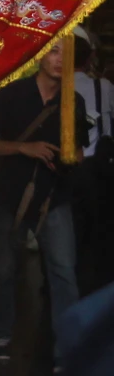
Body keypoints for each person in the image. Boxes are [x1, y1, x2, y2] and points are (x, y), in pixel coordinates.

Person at [0, 41, 89, 370]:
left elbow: (79, 152)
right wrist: (23, 148)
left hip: (54, 197)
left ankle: (66, 348)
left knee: (63, 272)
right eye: (54, 51)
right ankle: (0, 334)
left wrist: (70, 158)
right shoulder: (13, 94)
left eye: (66, 54)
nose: (59, 60)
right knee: (2, 268)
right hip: (10, 196)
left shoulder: (73, 101)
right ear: (40, 54)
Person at [72, 26, 114, 295]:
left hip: (67, 168)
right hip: (98, 168)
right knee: (99, 229)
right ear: (89, 58)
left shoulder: (56, 87)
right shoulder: (104, 87)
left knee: (71, 230)